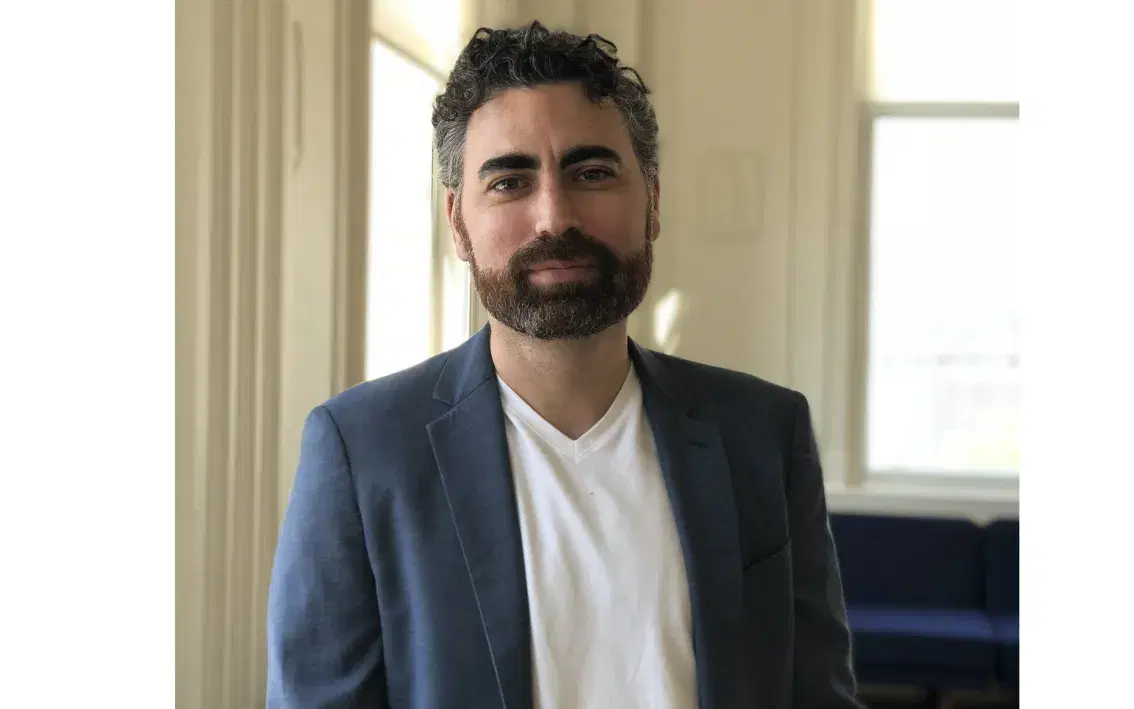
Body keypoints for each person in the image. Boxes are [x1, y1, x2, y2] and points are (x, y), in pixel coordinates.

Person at [267, 21, 861, 709]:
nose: (554, 216)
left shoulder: (764, 434)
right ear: (458, 223)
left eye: (592, 173)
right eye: (509, 181)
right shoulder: (363, 451)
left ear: (654, 202)